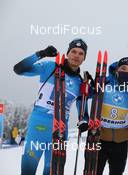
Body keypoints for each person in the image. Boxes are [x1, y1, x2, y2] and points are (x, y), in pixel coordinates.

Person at [13, 39, 90, 175]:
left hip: (60, 130)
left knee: (52, 171)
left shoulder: (80, 82)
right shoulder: (50, 67)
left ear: (84, 58)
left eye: (81, 53)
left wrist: (84, 121)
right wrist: (41, 53)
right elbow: (19, 69)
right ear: (67, 53)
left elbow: (83, 113)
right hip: (39, 124)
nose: (76, 55)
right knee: (28, 169)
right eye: (73, 51)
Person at [96, 57, 128, 175]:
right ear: (116, 70)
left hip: (120, 142)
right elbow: (85, 96)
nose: (126, 71)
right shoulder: (105, 82)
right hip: (99, 138)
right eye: (123, 68)